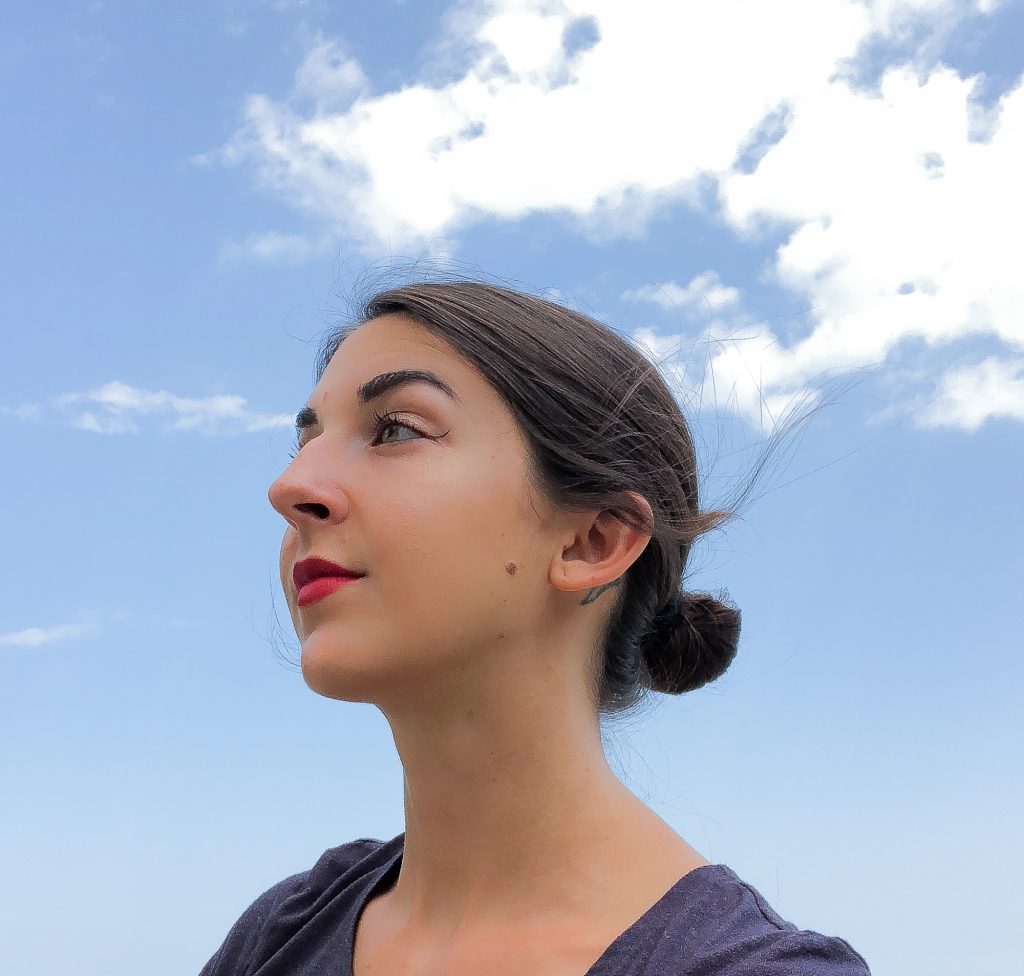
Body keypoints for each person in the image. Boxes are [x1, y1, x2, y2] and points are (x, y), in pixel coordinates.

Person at [199, 280, 871, 975]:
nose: (289, 488)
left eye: (396, 429)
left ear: (594, 542)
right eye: (304, 441)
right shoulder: (285, 931)